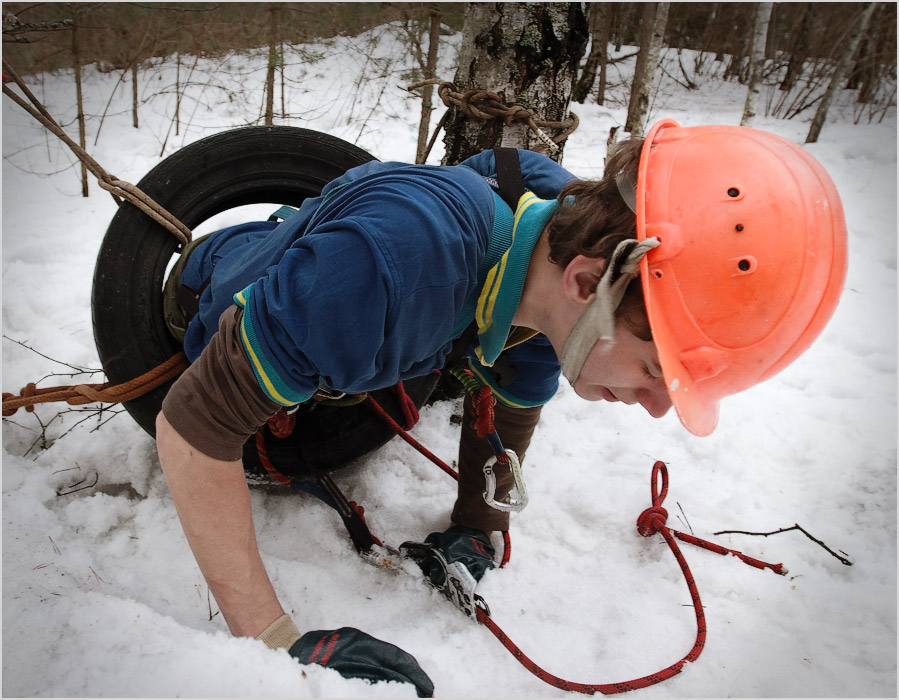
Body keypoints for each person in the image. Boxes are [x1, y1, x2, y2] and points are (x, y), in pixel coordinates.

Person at [155, 119, 847, 696]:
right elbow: (192, 429)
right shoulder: (396, 267)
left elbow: (519, 386)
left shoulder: (555, 230)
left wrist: (479, 523)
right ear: (585, 283)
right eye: (651, 369)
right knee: (304, 311)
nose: (656, 409)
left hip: (345, 310)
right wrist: (274, 638)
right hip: (207, 311)